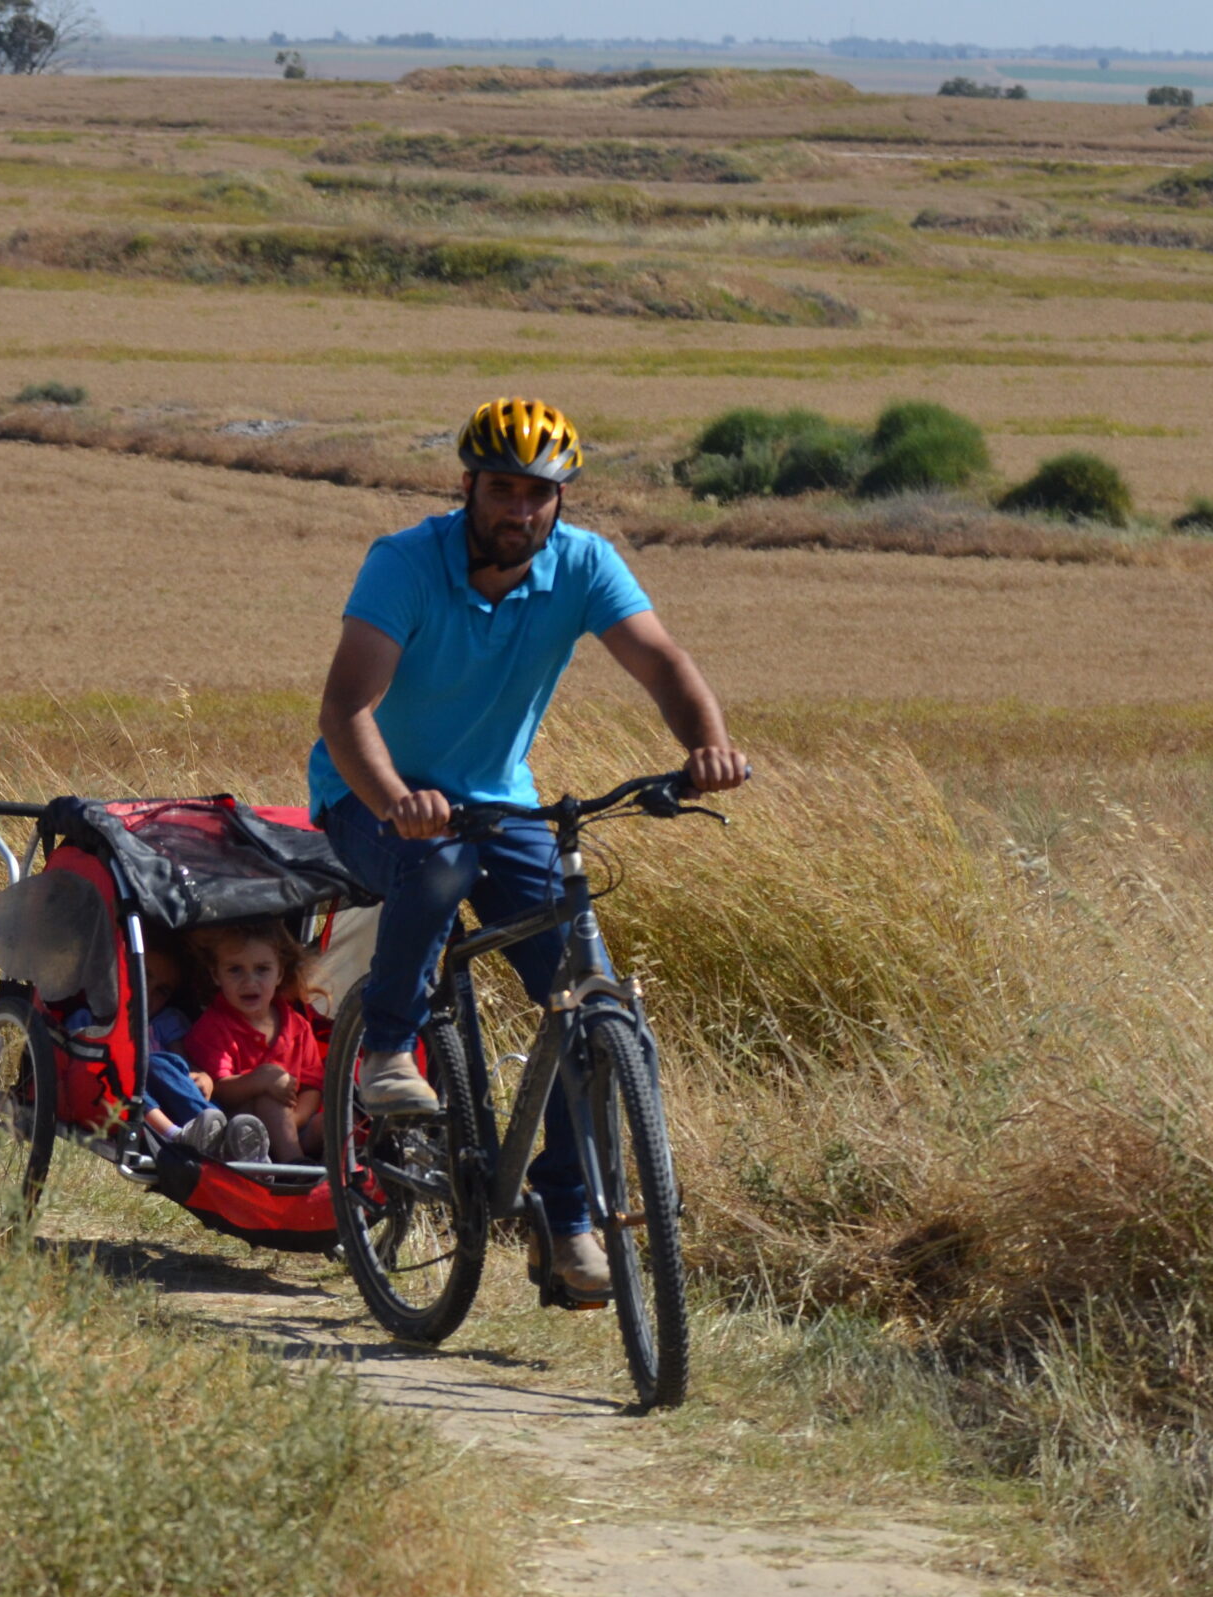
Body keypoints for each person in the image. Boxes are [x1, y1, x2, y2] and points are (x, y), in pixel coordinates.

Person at [311, 397, 746, 1301]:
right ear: (466, 486)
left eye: (538, 494)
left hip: (500, 804)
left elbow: (662, 661)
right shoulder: (404, 563)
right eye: (502, 489)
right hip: (370, 796)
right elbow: (347, 710)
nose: (519, 510)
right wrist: (395, 802)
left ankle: (567, 1218)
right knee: (436, 864)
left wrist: (705, 744)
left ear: (561, 501)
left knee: (586, 1009)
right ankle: (389, 1045)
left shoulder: (585, 565)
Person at [64, 942, 268, 1162]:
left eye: (161, 990)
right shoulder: (88, 1019)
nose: (147, 994)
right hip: (125, 1099)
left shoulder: (166, 1021)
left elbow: (183, 1066)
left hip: (178, 1102)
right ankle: (180, 1135)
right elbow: (80, 1069)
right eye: (143, 976)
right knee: (140, 1069)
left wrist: (204, 1077)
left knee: (162, 1066)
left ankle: (233, 1141)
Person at [179, 922, 325, 1165]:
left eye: (262, 969)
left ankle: (344, 1177)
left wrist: (293, 1120)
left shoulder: (297, 1025)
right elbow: (219, 1090)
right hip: (244, 1130)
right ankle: (295, 1167)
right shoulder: (213, 1027)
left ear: (279, 973)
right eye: (235, 970)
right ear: (216, 975)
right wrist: (260, 1080)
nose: (250, 981)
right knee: (269, 1096)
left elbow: (312, 1087)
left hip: (297, 1124)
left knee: (334, 1120)